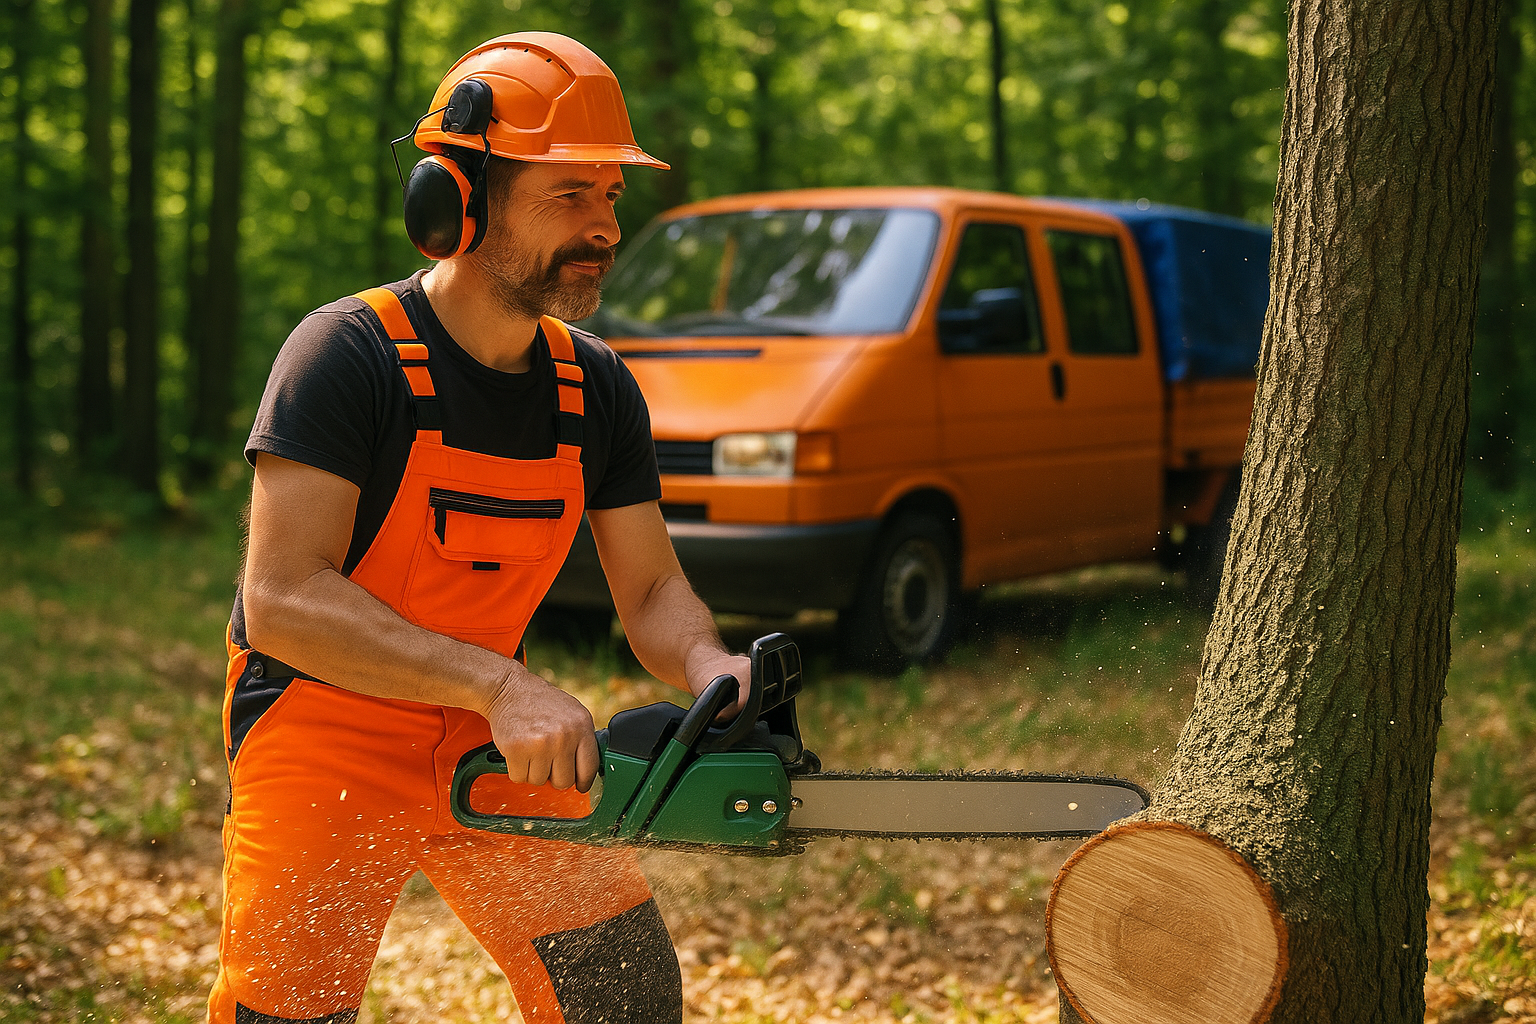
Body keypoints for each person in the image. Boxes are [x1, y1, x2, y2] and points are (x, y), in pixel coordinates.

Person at [208, 32, 747, 1024]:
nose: (603, 230)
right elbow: (282, 599)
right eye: (569, 196)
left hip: (500, 741)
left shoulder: (595, 386)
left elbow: (655, 591)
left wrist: (710, 662)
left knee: (619, 993)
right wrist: (497, 680)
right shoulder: (347, 355)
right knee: (286, 1012)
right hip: (322, 731)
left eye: (611, 197)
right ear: (458, 203)